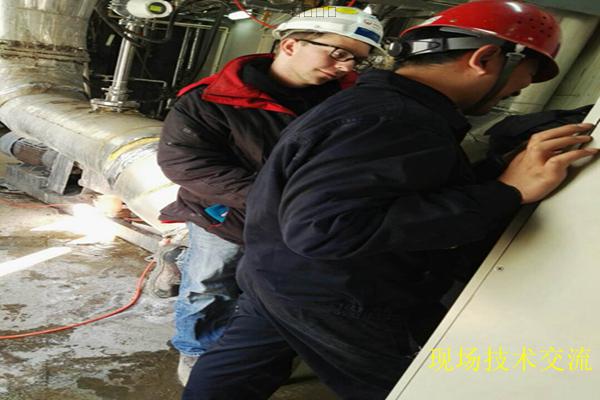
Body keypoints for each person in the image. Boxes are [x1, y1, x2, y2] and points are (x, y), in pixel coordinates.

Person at [183, 1, 598, 399]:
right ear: (485, 59)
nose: (514, 93)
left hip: (276, 271)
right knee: (418, 385)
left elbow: (384, 189)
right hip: (339, 293)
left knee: (236, 370)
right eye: (518, 82)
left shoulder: (369, 103)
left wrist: (499, 171)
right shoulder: (396, 119)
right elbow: (326, 229)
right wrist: (506, 192)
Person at [154, 6, 385, 385]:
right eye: (339, 53)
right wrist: (279, 201)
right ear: (291, 45)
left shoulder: (350, 100)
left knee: (274, 292)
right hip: (228, 218)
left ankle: (256, 352)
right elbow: (186, 163)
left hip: (303, 224)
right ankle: (196, 350)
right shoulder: (211, 98)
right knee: (210, 286)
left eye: (358, 60)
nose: (346, 67)